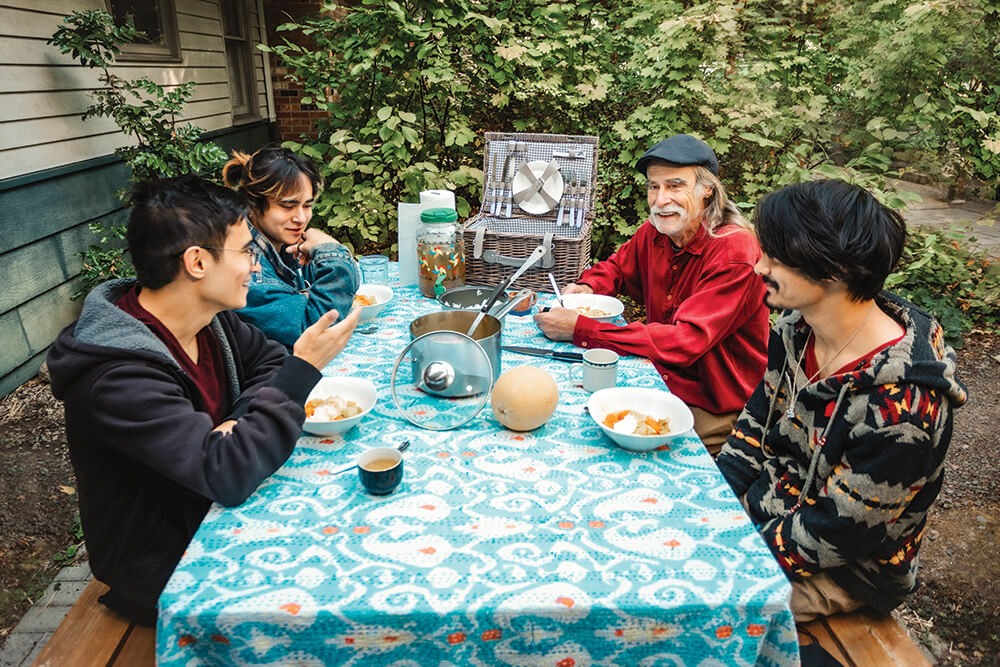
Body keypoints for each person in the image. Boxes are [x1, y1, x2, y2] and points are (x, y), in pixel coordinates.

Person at [47, 175, 361, 625]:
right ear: (197, 261)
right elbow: (228, 472)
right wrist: (302, 371)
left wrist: (233, 427)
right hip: (168, 566)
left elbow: (269, 361)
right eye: (247, 252)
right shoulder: (117, 377)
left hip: (214, 515)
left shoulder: (209, 320)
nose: (256, 267)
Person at [716, 180, 967, 622]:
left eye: (774, 257)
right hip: (767, 517)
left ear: (832, 271)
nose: (758, 267)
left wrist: (730, 551)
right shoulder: (796, 326)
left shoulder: (903, 408)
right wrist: (712, 502)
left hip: (845, 569)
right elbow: (757, 420)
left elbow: (841, 531)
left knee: (694, 602)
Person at [534, 134, 769, 453]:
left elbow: (687, 340)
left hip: (716, 404)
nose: (660, 200)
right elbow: (616, 268)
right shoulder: (658, 231)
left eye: (674, 186)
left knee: (616, 447)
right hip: (659, 374)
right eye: (653, 187)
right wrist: (588, 288)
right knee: (568, 416)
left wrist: (582, 329)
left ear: (707, 190)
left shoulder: (734, 250)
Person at [222, 147, 359, 349]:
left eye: (307, 205)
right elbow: (314, 332)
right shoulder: (249, 268)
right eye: (288, 206)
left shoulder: (284, 245)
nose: (301, 218)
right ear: (253, 204)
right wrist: (332, 253)